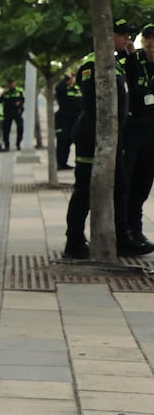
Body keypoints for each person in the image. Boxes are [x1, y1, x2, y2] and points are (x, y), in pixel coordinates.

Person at [64, 19, 149, 259]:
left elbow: (131, 83)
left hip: (113, 138)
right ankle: (74, 242)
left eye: (129, 35)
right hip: (93, 138)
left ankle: (122, 238)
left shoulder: (116, 63)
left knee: (119, 188)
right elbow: (93, 107)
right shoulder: (94, 64)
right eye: (123, 35)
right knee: (84, 191)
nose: (127, 39)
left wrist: (131, 54)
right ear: (107, 35)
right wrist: (102, 140)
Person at [123, 23, 154, 245]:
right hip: (133, 129)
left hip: (152, 131)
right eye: (148, 41)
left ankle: (136, 228)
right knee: (127, 180)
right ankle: (124, 230)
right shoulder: (133, 61)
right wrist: (132, 56)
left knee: (144, 182)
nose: (151, 45)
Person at [55, 72, 82, 169]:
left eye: (73, 78)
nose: (71, 79)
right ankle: (60, 163)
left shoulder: (78, 89)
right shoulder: (63, 89)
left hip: (75, 119)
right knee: (63, 141)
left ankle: (68, 163)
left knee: (74, 140)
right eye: (70, 78)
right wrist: (66, 77)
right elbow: (58, 88)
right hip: (63, 119)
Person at [0, 79, 26, 151]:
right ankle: (7, 145)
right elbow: (0, 101)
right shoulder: (6, 93)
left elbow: (22, 100)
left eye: (13, 83)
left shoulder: (19, 92)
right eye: (10, 84)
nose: (12, 85)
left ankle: (18, 144)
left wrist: (18, 104)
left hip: (17, 112)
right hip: (8, 113)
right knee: (6, 130)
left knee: (20, 128)